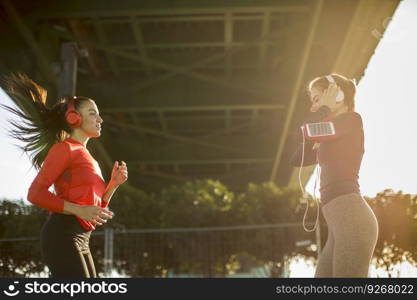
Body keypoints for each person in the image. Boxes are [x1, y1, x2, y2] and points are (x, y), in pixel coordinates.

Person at [1, 73, 128, 278]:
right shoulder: (65, 149)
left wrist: (113, 184)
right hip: (62, 235)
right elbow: (35, 194)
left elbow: (93, 213)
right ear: (74, 118)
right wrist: (79, 210)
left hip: (81, 238)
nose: (100, 119)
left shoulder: (88, 158)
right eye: (93, 113)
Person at [290, 73, 378, 277]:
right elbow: (296, 158)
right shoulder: (331, 134)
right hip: (339, 227)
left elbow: (307, 130)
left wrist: (325, 109)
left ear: (337, 95)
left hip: (353, 221)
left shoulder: (351, 120)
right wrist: (323, 110)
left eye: (317, 99)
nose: (314, 107)